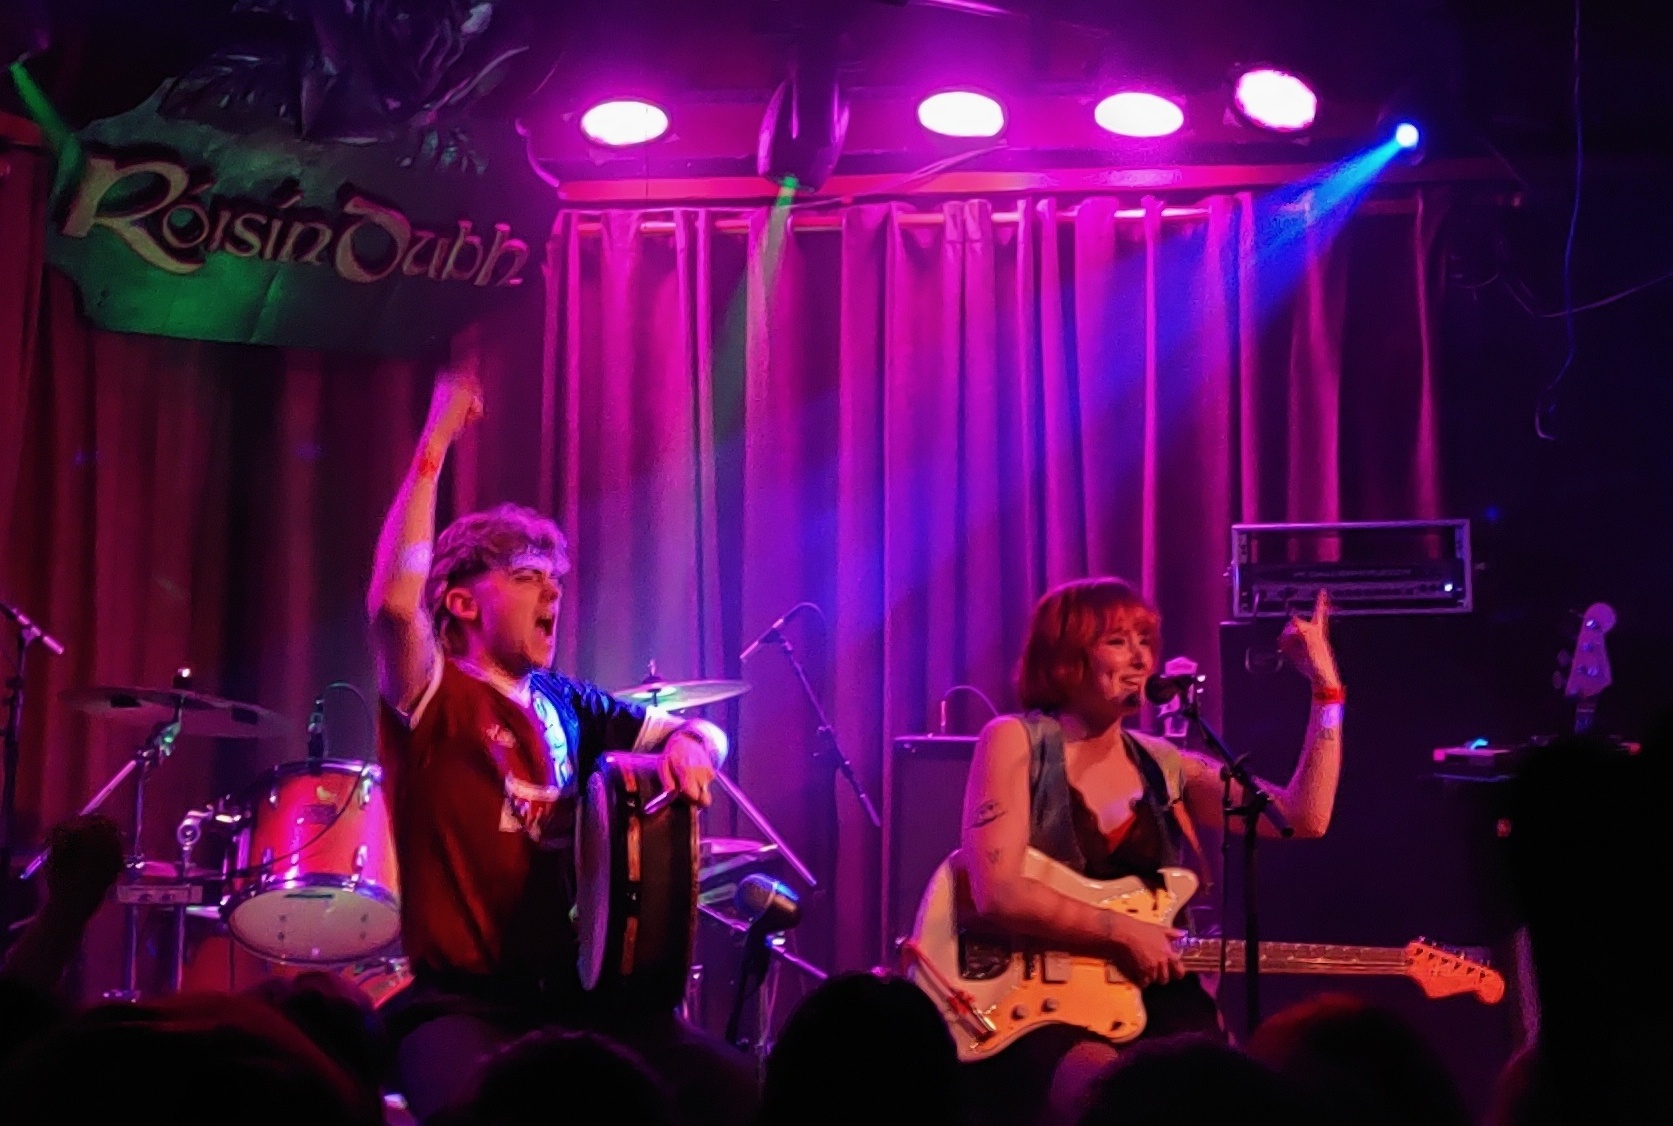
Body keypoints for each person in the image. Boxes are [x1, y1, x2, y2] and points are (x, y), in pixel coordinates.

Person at [366, 369, 747, 1120]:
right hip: (462, 1003)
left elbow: (704, 730)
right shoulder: (432, 691)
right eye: (528, 576)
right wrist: (435, 442)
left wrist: (695, 749)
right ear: (464, 600)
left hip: (579, 1003)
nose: (554, 594)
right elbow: (391, 601)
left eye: (556, 579)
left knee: (728, 1087)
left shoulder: (568, 702)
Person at [958, 576, 1344, 1126]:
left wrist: (1326, 691)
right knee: (1122, 1099)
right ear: (1066, 656)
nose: (1141, 659)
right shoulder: (1014, 741)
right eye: (1118, 641)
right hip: (1041, 1004)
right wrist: (1120, 931)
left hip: (1157, 998)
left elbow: (1303, 817)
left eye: (1145, 641)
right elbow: (996, 890)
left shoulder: (1164, 763)